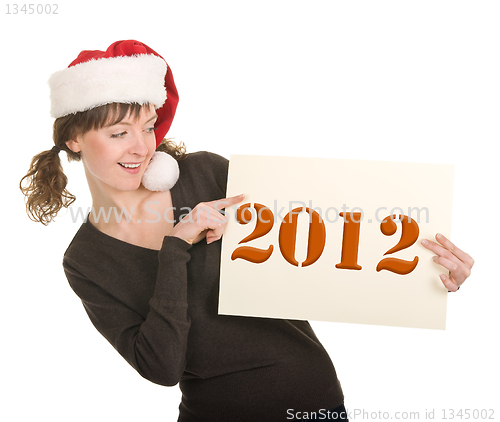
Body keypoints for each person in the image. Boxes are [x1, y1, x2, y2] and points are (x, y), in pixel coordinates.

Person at [20, 40, 474, 421]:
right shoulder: (86, 260)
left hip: (310, 401)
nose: (141, 147)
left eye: (148, 127)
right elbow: (159, 366)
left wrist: (428, 276)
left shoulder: (206, 176)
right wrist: (177, 245)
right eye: (119, 133)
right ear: (74, 139)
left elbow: (335, 242)